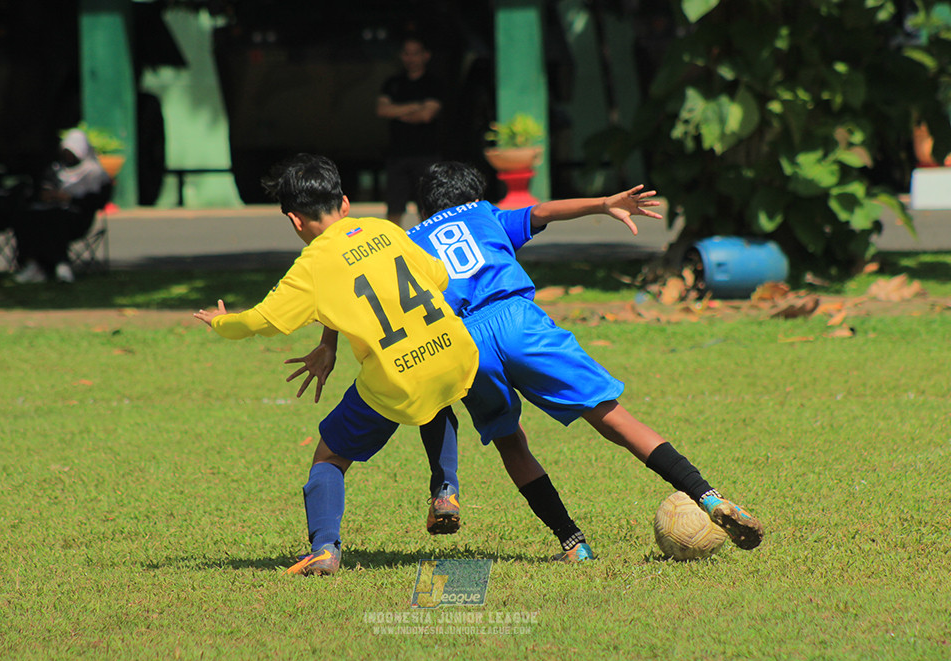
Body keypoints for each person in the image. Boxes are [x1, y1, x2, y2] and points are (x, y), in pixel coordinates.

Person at [403, 161, 765, 561]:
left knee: (510, 442)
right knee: (613, 417)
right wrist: (604, 203)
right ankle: (708, 497)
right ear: (474, 195)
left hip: (466, 342)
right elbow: (543, 211)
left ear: (424, 207)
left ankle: (574, 544)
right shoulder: (484, 213)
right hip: (519, 323)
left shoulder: (409, 242)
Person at [193, 154, 478, 576]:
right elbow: (437, 276)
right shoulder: (385, 229)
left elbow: (261, 321)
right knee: (434, 402)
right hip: (453, 352)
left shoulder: (311, 265)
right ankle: (446, 491)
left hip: (396, 374)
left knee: (328, 457)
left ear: (294, 220)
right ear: (344, 203)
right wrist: (332, 338)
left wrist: (222, 322)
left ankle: (324, 549)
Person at [12, 128, 112, 283]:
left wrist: (70, 199)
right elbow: (42, 190)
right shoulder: (56, 169)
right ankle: (32, 264)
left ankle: (61, 264)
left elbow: (98, 201)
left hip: (78, 219)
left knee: (55, 219)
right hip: (49, 212)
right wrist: (47, 195)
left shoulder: (94, 173)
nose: (68, 156)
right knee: (27, 217)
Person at [376, 34, 443, 227]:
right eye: (406, 53)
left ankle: (429, 244)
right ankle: (392, 244)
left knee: (428, 209)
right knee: (394, 210)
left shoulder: (433, 83)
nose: (411, 58)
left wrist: (397, 111)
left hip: (426, 155)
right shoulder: (393, 83)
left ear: (426, 55)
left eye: (415, 53)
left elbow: (427, 115)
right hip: (397, 156)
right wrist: (416, 106)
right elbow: (382, 110)